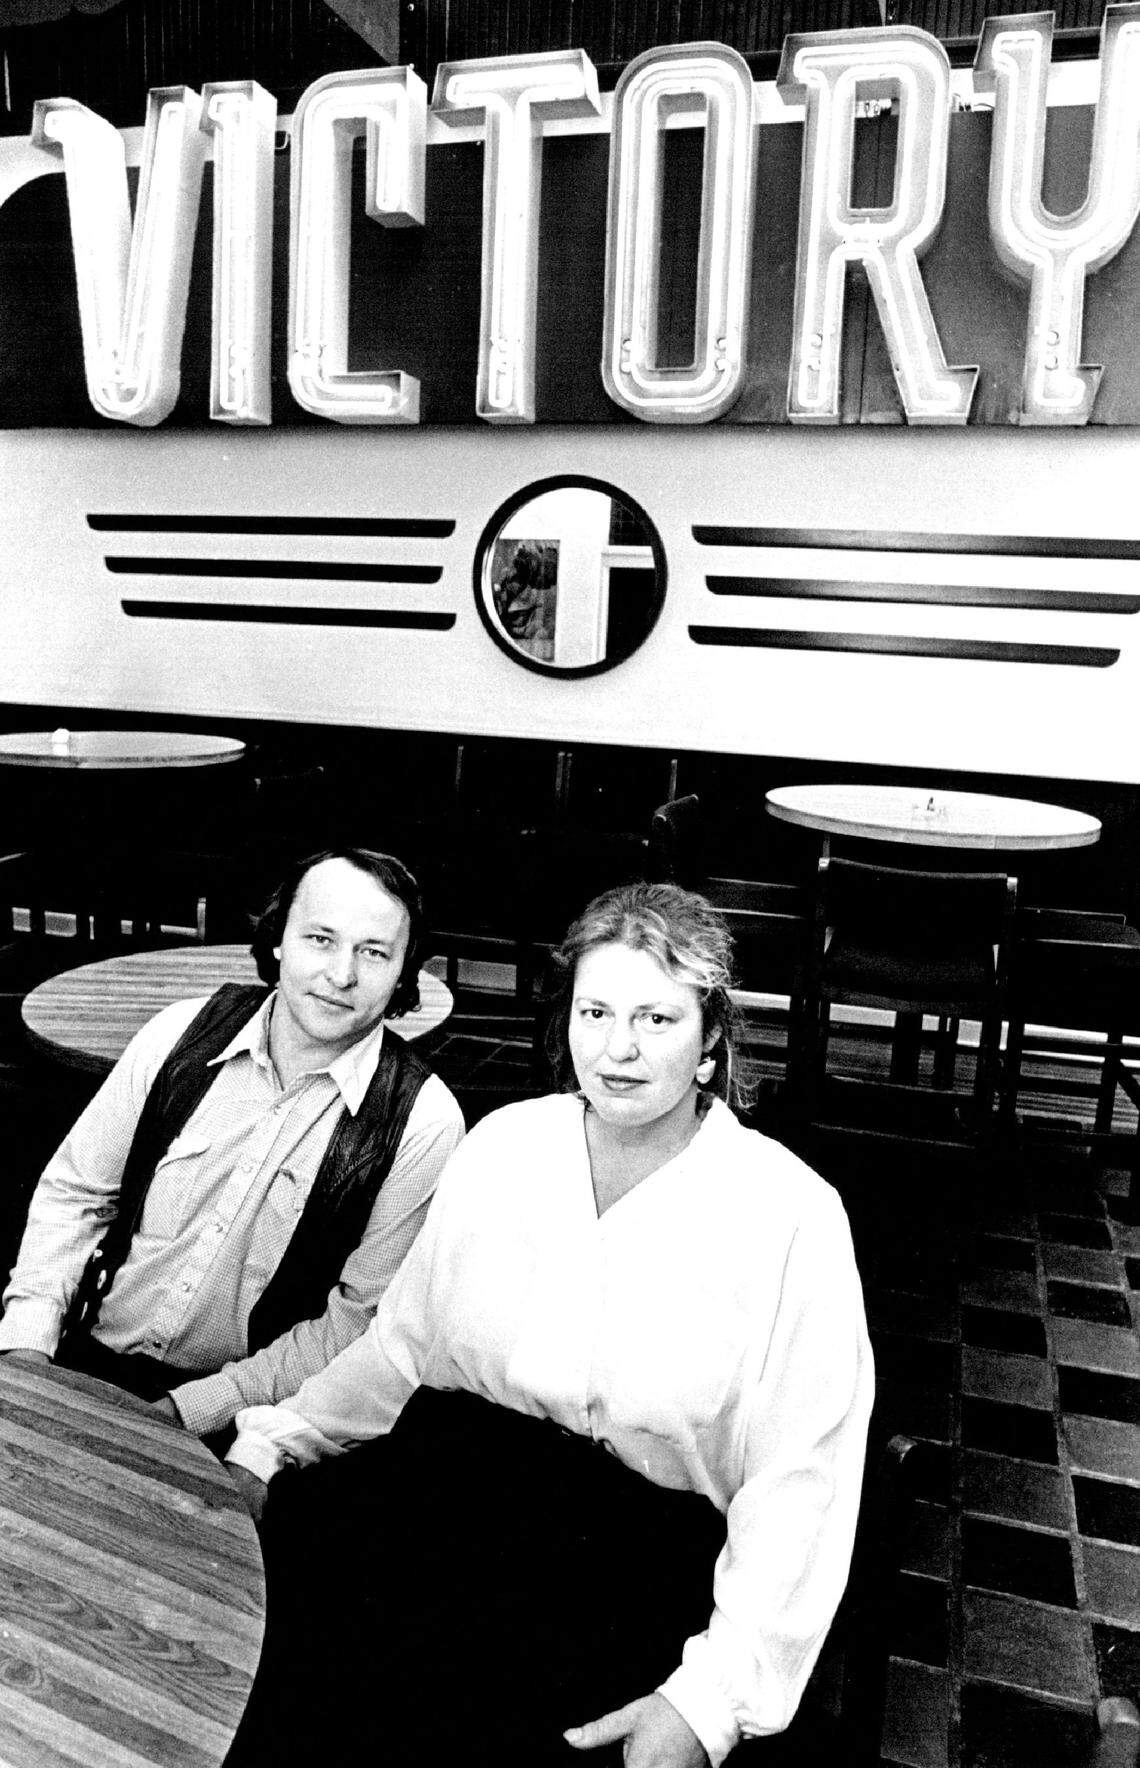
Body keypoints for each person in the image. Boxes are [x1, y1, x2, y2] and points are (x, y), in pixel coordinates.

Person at [226, 882, 873, 1768]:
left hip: (636, 1557)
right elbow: (403, 1348)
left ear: (713, 1037)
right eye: (595, 1011)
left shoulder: (791, 1212)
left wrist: (708, 1702)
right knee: (269, 1681)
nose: (619, 1049)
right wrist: (279, 1440)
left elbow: (802, 1482)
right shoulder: (504, 1146)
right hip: (450, 1492)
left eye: (657, 1019)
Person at [0, 846, 464, 1441]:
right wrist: (27, 1349)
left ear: (405, 972)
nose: (342, 974)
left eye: (373, 952)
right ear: (277, 941)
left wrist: (185, 1413)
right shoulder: (176, 1034)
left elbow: (354, 1324)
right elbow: (77, 1194)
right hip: (78, 1360)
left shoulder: (425, 1123)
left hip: (246, 1415)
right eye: (319, 939)